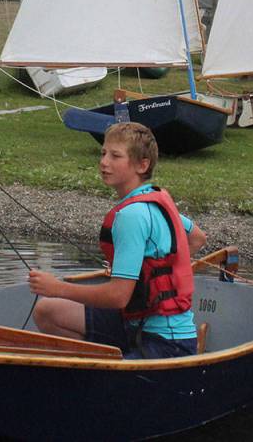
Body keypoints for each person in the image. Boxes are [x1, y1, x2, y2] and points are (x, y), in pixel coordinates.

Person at [28, 122, 207, 359]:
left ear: (142, 165)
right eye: (103, 153)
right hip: (135, 324)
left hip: (166, 342)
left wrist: (56, 288)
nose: (104, 162)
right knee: (48, 311)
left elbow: (118, 296)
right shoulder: (155, 200)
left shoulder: (131, 216)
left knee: (51, 301)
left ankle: (101, 371)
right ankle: (100, 360)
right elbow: (196, 237)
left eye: (115, 156)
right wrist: (147, 275)